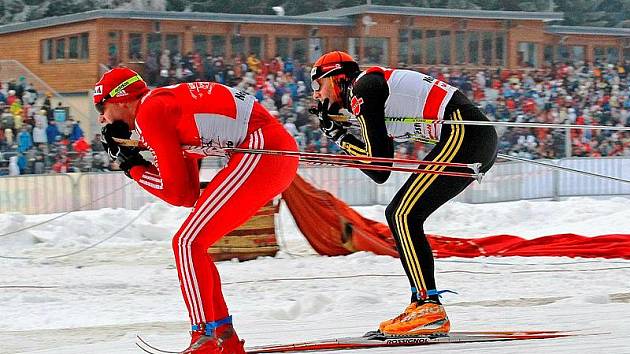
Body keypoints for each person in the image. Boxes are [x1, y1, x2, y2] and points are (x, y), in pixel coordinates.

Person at [93, 67, 299, 353]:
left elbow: (176, 191)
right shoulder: (160, 106)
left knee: (187, 243)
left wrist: (134, 168)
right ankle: (222, 337)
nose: (102, 118)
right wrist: (137, 165)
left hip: (263, 148)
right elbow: (187, 194)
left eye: (102, 108)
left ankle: (206, 337)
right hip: (267, 149)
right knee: (193, 243)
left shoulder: (150, 112)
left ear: (123, 100)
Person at [310, 51, 498, 336]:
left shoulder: (363, 88)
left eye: (317, 86)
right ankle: (423, 302)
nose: (316, 96)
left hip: (465, 132)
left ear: (336, 78)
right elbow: (379, 169)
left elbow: (379, 165)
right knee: (402, 214)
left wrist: (339, 137)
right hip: (470, 135)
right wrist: (341, 134)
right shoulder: (366, 94)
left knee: (402, 214)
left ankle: (427, 305)